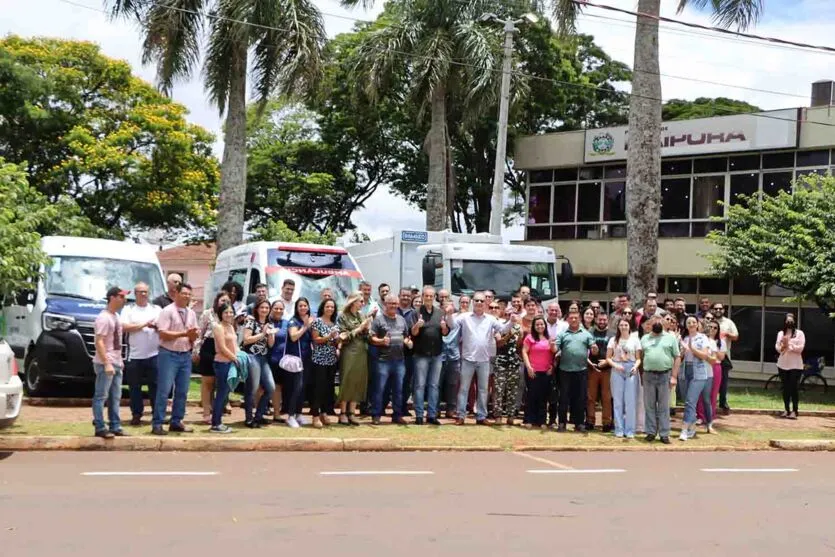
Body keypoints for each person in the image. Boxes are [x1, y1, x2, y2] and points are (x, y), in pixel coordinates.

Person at [446, 292, 513, 425]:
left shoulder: (490, 319)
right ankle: (461, 415)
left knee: (483, 390)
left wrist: (512, 321)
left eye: (482, 301)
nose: (479, 303)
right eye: (477, 300)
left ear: (485, 303)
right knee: (463, 389)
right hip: (467, 359)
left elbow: (504, 329)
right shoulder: (465, 317)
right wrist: (448, 314)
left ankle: (481, 416)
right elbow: (452, 325)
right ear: (472, 302)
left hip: (484, 360)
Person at [152, 283, 199, 436]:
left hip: (185, 354)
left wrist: (193, 338)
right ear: (176, 294)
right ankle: (157, 423)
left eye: (188, 294)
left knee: (182, 391)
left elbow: (194, 333)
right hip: (168, 354)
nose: (186, 296)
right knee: (164, 390)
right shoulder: (167, 311)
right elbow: (163, 334)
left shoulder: (191, 313)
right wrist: (184, 334)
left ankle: (176, 421)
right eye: (184, 293)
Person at [120, 282, 161, 426]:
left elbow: (163, 326)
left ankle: (157, 414)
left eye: (145, 292)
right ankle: (136, 414)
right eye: (140, 292)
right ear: (135, 294)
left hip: (154, 354)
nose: (143, 294)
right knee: (134, 387)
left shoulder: (156, 309)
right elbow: (124, 327)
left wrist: (155, 326)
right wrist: (143, 324)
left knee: (155, 386)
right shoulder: (128, 309)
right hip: (135, 356)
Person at [369, 294, 413, 425]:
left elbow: (405, 336)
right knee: (380, 389)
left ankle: (397, 415)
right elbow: (371, 338)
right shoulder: (378, 320)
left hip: (399, 360)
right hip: (383, 361)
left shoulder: (401, 320)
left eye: (395, 303)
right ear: (385, 304)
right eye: (390, 303)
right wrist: (381, 341)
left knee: (398, 389)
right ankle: (376, 415)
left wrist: (407, 342)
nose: (393, 306)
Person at [92, 286, 128, 439]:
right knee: (101, 395)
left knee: (115, 396)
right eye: (121, 296)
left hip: (117, 361)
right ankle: (100, 426)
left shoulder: (116, 316)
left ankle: (115, 425)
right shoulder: (104, 317)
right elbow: (99, 341)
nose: (123, 300)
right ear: (112, 298)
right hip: (105, 362)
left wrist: (119, 361)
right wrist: (106, 362)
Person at [411, 286, 447, 425]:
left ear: (434, 297)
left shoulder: (440, 312)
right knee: (419, 385)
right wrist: (417, 326)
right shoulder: (416, 312)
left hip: (437, 354)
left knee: (434, 385)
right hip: (421, 355)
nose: (429, 298)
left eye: (431, 296)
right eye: (426, 296)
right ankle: (419, 415)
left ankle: (431, 415)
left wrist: (444, 327)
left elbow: (444, 333)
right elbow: (413, 333)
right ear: (422, 296)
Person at [641, 316, 680, 444]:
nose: (657, 323)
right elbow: (640, 357)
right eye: (654, 321)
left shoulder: (670, 338)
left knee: (663, 407)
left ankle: (664, 434)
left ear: (663, 323)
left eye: (659, 321)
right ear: (650, 324)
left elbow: (677, 357)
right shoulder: (645, 338)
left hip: (665, 375)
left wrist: (674, 376)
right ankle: (651, 432)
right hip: (648, 376)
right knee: (649, 405)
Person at [555, 310, 596, 432]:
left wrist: (594, 349)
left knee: (580, 398)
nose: (573, 320)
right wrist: (553, 347)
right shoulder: (562, 334)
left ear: (579, 320)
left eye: (576, 318)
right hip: (565, 370)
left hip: (581, 370)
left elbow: (593, 350)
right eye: (571, 318)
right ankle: (562, 423)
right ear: (567, 320)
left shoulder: (586, 334)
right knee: (563, 398)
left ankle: (579, 423)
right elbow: (555, 348)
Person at [194, 292, 230, 424]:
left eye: (226, 301)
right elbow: (200, 333)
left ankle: (217, 411)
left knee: (220, 383)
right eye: (222, 300)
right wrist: (196, 351)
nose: (224, 303)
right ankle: (206, 413)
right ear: (216, 301)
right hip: (208, 347)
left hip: (223, 349)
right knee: (207, 383)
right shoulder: (207, 313)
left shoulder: (229, 315)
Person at [337, 293, 371, 425]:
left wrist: (367, 329)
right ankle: (343, 412)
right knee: (347, 381)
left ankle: (352, 412)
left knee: (358, 381)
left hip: (362, 352)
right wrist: (359, 328)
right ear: (353, 302)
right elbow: (343, 336)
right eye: (360, 301)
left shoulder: (362, 316)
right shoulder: (343, 317)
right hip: (349, 352)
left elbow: (367, 336)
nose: (363, 304)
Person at [242, 299, 276, 428]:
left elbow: (271, 344)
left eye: (267, 308)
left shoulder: (269, 323)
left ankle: (259, 416)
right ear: (257, 309)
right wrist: (262, 334)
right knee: (252, 388)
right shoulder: (251, 321)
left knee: (270, 387)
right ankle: (249, 419)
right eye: (262, 307)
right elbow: (246, 340)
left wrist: (271, 335)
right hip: (252, 356)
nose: (265, 310)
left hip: (263, 358)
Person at [679, 316, 713, 441]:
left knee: (690, 401)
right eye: (689, 322)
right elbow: (681, 357)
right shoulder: (684, 338)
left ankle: (684, 429)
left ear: (698, 324)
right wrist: (683, 351)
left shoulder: (703, 338)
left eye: (694, 322)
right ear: (686, 325)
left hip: (698, 372)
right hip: (685, 370)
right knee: (688, 402)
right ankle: (692, 428)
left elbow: (704, 355)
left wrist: (691, 348)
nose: (691, 324)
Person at [607, 318, 642, 439]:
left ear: (629, 326)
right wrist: (616, 365)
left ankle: (630, 430)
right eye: (621, 325)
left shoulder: (635, 340)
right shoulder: (613, 340)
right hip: (617, 369)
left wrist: (635, 367)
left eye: (625, 325)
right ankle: (619, 429)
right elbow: (608, 358)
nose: (623, 327)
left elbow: (638, 358)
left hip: (630, 369)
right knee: (617, 401)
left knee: (630, 402)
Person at [282, 298, 313, 428]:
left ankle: (299, 413)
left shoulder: (310, 320)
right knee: (296, 387)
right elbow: (294, 337)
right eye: (300, 306)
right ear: (296, 307)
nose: (303, 308)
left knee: (303, 387)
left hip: (307, 358)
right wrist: (305, 327)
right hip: (296, 359)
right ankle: (290, 416)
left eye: (305, 305)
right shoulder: (293, 321)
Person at [521, 317, 557, 429]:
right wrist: (528, 366)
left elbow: (555, 352)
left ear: (545, 325)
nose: (540, 326)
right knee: (531, 396)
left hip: (546, 372)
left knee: (543, 397)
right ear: (534, 326)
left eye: (542, 324)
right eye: (537, 325)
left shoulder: (549, 338)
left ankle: (542, 421)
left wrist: (552, 366)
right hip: (533, 371)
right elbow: (524, 351)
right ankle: (529, 419)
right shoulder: (529, 337)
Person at [310, 299, 340, 428]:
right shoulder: (317, 322)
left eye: (332, 307)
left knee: (328, 388)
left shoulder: (334, 323)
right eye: (328, 306)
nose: (330, 309)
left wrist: (338, 341)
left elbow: (336, 341)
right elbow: (316, 340)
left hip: (331, 359)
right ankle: (315, 415)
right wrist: (329, 336)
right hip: (319, 359)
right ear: (323, 307)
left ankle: (324, 412)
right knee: (319, 388)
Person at [210, 303, 238, 433]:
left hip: (231, 363)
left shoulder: (231, 326)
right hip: (222, 364)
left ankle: (218, 421)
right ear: (221, 314)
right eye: (226, 312)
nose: (229, 314)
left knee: (225, 394)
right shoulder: (218, 327)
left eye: (231, 312)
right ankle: (216, 423)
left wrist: (239, 357)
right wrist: (234, 358)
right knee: (221, 394)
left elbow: (234, 345)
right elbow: (222, 348)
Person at [494, 305, 522, 425]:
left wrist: (519, 335)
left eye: (512, 315)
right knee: (499, 390)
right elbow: (499, 343)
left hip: (513, 363)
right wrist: (509, 334)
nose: (510, 317)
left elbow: (518, 346)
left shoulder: (518, 328)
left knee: (512, 391)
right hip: (501, 362)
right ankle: (498, 416)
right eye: (507, 314)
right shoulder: (499, 327)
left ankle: (511, 416)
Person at [586, 312, 613, 432]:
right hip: (592, 368)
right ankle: (590, 421)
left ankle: (607, 422)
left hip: (607, 370)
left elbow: (616, 351)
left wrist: (608, 361)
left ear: (608, 320)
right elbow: (584, 349)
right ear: (596, 320)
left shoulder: (612, 334)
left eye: (604, 320)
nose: (602, 322)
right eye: (600, 320)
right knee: (591, 397)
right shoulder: (590, 332)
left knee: (606, 398)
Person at [776, 313, 806, 420]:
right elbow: (778, 348)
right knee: (785, 388)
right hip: (783, 364)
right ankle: (786, 409)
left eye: (791, 321)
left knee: (793, 387)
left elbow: (800, 348)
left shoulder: (800, 333)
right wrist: (783, 346)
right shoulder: (780, 333)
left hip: (796, 365)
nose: (789, 323)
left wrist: (790, 345)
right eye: (787, 321)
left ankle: (795, 410)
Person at [712, 302, 739, 415]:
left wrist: (726, 334)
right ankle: (710, 403)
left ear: (724, 310)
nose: (718, 310)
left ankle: (723, 402)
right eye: (716, 308)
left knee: (723, 381)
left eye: (720, 308)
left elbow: (736, 336)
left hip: (724, 356)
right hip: (709, 355)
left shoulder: (729, 322)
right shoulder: (709, 321)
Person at [697, 319, 725, 429]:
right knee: (701, 392)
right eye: (710, 327)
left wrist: (714, 347)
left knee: (713, 393)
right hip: (703, 366)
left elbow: (721, 357)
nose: (712, 329)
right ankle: (700, 416)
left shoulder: (720, 342)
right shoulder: (702, 339)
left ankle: (710, 416)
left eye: (715, 328)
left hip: (716, 366)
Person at [267, 300, 289, 423]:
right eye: (276, 308)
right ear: (271, 309)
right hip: (267, 359)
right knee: (262, 387)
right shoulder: (266, 322)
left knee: (278, 387)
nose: (278, 311)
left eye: (281, 309)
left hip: (281, 361)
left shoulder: (286, 323)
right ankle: (259, 412)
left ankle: (276, 413)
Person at [440, 301, 461, 419]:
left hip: (454, 355)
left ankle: (451, 409)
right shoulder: (438, 318)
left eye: (450, 305)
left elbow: (452, 326)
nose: (448, 308)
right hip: (440, 354)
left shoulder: (457, 320)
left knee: (453, 384)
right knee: (437, 383)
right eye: (446, 305)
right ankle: (435, 409)